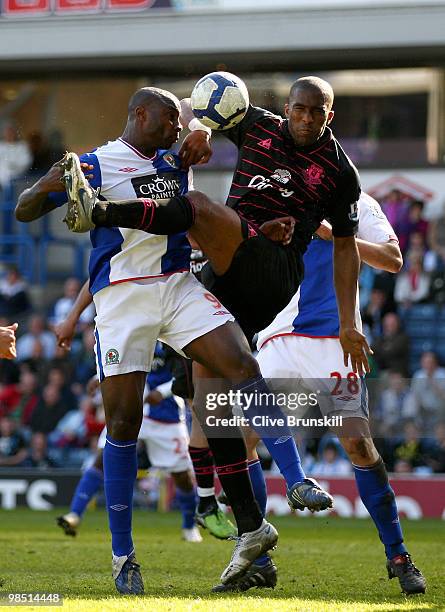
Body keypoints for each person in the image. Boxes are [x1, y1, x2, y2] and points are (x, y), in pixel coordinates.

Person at [59, 75, 370, 518]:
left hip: (274, 270)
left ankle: (101, 210)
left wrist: (349, 324)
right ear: (287, 109)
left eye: (315, 111)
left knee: (197, 204)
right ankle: (249, 536)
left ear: (329, 115)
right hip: (226, 269)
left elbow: (345, 247)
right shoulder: (255, 124)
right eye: (298, 108)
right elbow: (192, 102)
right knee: (214, 414)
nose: (305, 118)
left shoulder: (340, 171)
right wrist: (200, 127)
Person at [15, 87, 279, 595]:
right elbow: (26, 211)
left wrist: (201, 132)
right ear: (139, 115)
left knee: (241, 363)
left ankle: (283, 488)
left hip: (176, 285)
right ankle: (123, 557)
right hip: (120, 300)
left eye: (180, 121)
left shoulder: (177, 158)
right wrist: (49, 183)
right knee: (122, 422)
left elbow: (203, 145)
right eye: (168, 119)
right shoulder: (94, 164)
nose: (176, 127)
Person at [242, 192, 425, 595]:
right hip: (279, 335)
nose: (305, 123)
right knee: (239, 441)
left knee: (359, 445)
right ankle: (258, 558)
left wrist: (338, 237)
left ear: (330, 124)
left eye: (316, 120)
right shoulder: (273, 188)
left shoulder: (357, 200)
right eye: (297, 121)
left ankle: (398, 555)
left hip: (334, 337)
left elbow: (392, 259)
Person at [57, 342, 204, 543]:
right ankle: (74, 514)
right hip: (132, 409)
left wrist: (165, 391)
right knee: (103, 458)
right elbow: (119, 359)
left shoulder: (173, 333)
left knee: (181, 474)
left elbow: (188, 372)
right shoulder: (135, 328)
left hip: (166, 416)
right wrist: (97, 377)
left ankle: (189, 525)